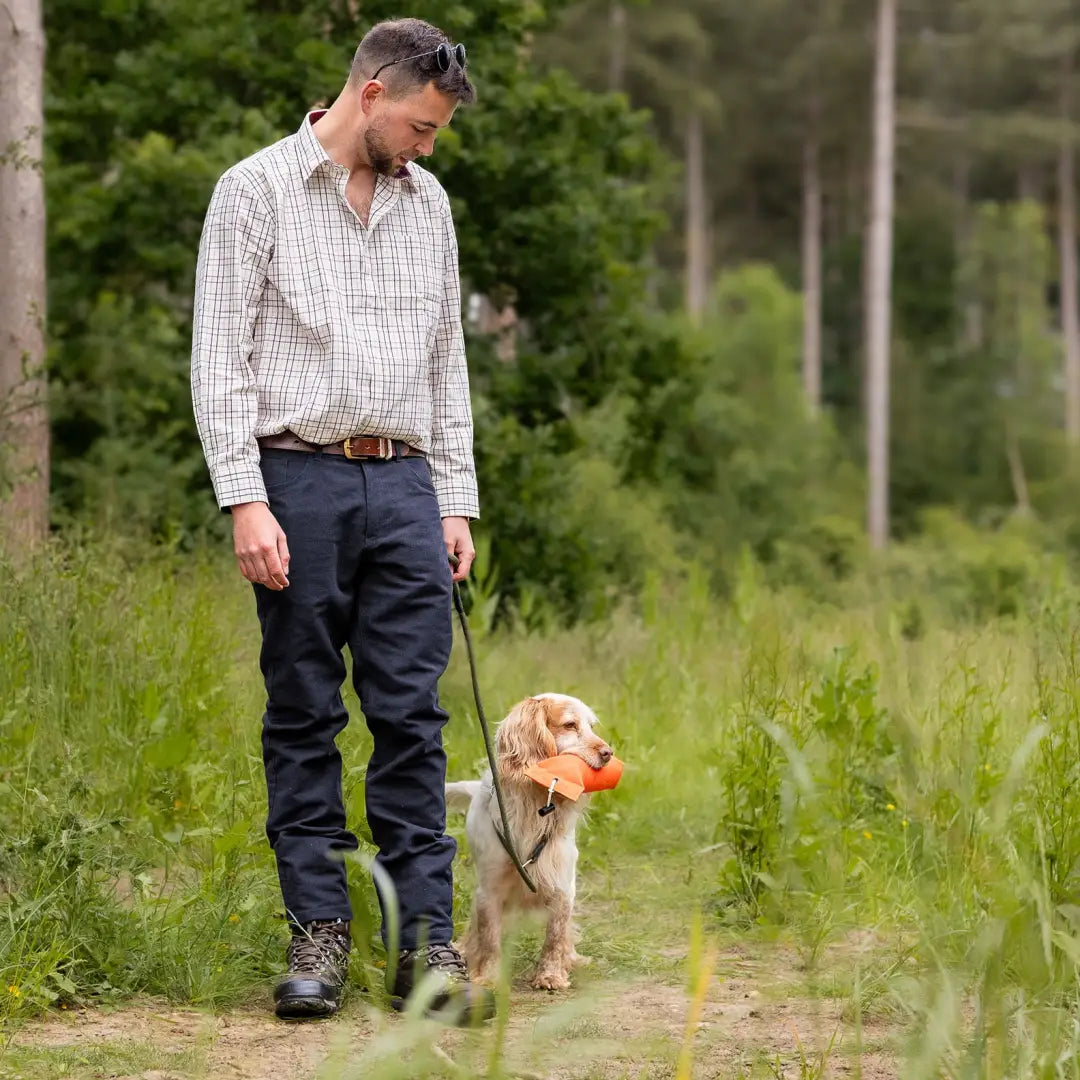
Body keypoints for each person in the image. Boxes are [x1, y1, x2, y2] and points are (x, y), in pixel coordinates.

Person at [190, 17, 494, 1025]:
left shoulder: (429, 202)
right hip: (296, 483)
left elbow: (448, 357)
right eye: (419, 125)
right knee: (305, 714)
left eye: (436, 133)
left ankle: (426, 952)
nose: (426, 146)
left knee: (413, 719)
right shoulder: (254, 192)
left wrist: (453, 497)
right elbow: (217, 361)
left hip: (405, 484)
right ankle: (317, 935)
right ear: (370, 95)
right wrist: (245, 498)